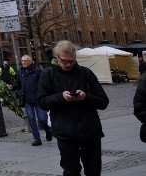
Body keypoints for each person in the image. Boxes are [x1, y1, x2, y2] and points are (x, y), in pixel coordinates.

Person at [37, 40, 109, 176]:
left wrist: (86, 97)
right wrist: (60, 97)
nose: (69, 64)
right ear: (57, 57)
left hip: (90, 131)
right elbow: (42, 102)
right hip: (65, 133)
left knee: (93, 170)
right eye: (65, 61)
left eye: (72, 60)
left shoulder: (85, 73)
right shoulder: (47, 74)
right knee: (71, 171)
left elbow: (103, 102)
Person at [10, 54, 52, 145]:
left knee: (42, 119)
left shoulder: (37, 71)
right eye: (22, 61)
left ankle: (48, 131)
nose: (23, 62)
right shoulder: (20, 72)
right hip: (27, 100)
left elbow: (44, 84)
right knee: (31, 119)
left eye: (25, 61)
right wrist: (12, 86)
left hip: (38, 99)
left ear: (30, 62)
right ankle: (37, 138)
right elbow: (18, 84)